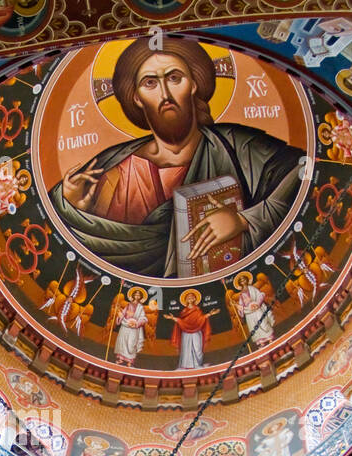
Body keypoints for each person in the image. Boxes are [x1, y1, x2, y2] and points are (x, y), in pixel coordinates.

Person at [50, 37, 303, 277]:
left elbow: (304, 170)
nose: (165, 94)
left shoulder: (238, 146)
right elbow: (91, 238)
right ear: (136, 97)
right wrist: (74, 207)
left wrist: (244, 220)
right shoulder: (111, 168)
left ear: (193, 84)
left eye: (174, 78)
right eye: (150, 82)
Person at [167, 289, 220, 370]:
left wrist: (210, 314)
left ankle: (197, 364)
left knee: (197, 348)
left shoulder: (197, 310)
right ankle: (185, 366)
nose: (190, 299)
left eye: (192, 297)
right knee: (186, 349)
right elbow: (181, 322)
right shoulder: (184, 311)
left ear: (195, 299)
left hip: (196, 332)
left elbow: (200, 319)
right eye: (188, 297)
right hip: (186, 333)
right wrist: (173, 318)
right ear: (185, 300)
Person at [112, 287, 149, 365]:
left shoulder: (140, 307)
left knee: (131, 344)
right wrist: (119, 313)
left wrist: (137, 323)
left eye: (139, 295)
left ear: (141, 297)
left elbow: (143, 318)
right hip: (125, 326)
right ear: (133, 295)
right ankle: (120, 359)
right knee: (123, 342)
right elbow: (123, 314)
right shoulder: (128, 305)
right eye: (135, 295)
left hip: (134, 328)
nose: (137, 296)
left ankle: (130, 360)